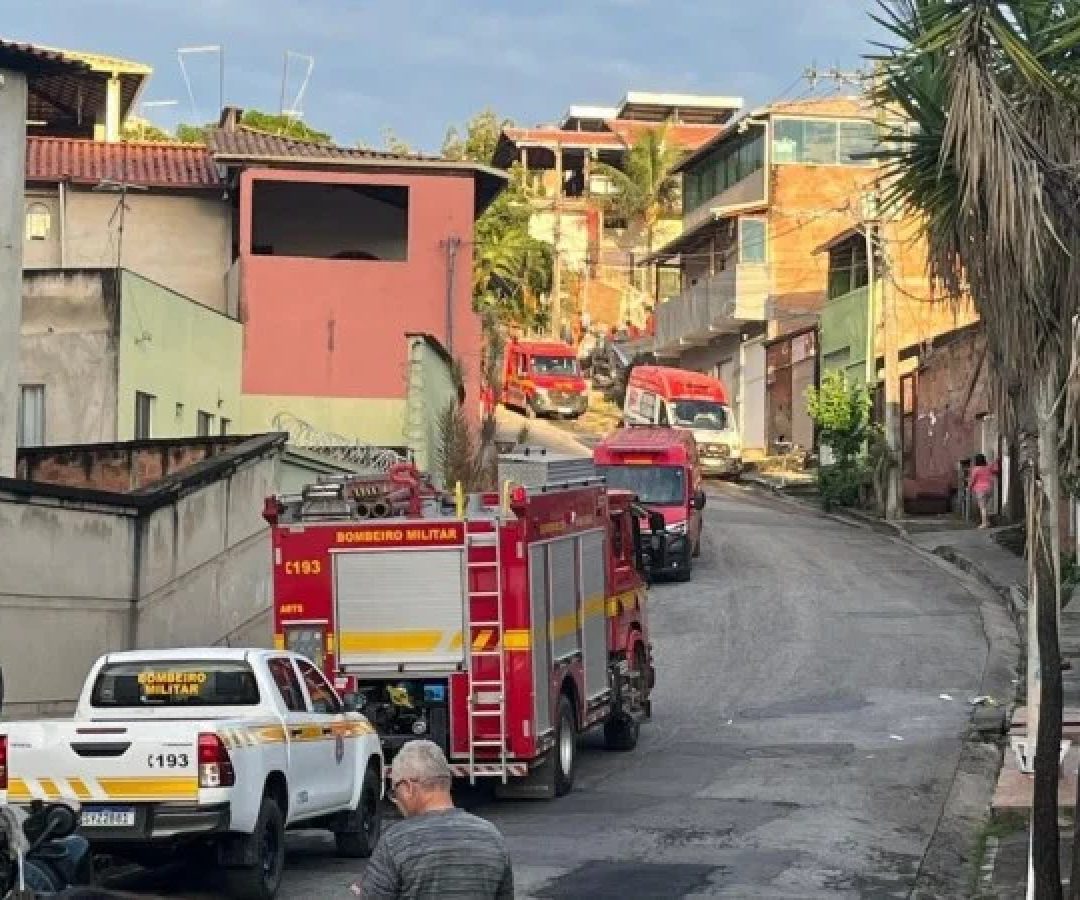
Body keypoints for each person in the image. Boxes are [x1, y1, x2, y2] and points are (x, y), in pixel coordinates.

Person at [353, 741, 513, 899]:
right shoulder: (492, 838)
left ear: (408, 787)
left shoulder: (395, 843)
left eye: (395, 791)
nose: (396, 800)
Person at [968, 453, 1000, 529]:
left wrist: (969, 488)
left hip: (980, 490)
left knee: (982, 507)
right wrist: (996, 462)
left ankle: (984, 523)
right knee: (985, 506)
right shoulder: (988, 468)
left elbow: (972, 480)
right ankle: (987, 521)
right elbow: (996, 470)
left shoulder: (975, 469)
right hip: (989, 489)